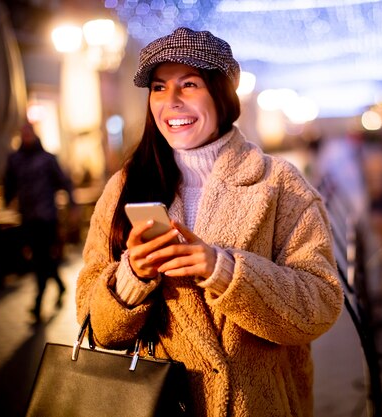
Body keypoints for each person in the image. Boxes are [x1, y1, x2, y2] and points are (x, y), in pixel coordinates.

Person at [75, 27, 343, 416]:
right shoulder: (124, 188)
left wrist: (225, 270)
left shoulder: (278, 182)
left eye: (189, 84)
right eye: (159, 87)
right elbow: (91, 323)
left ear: (222, 95)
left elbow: (319, 304)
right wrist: (132, 278)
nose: (172, 102)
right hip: (160, 405)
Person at [3, 121, 77, 323]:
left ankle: (37, 303)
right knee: (41, 258)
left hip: (47, 216)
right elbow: (8, 182)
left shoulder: (47, 159)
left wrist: (72, 205)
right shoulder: (15, 159)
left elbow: (64, 182)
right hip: (27, 217)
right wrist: (7, 199)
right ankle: (60, 286)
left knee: (40, 258)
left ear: (34, 134)